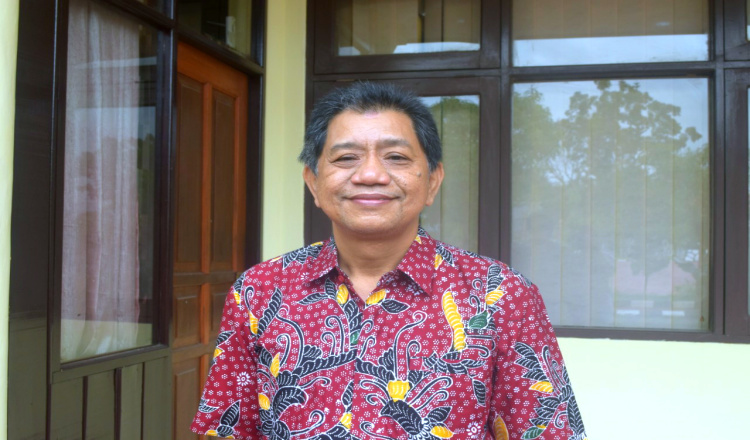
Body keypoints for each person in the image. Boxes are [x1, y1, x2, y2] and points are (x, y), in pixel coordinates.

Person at [191, 82, 587, 440]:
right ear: (313, 182)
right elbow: (226, 430)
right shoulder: (259, 290)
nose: (370, 174)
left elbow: (548, 431)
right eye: (346, 157)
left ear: (432, 181)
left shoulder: (502, 295)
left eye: (396, 156)